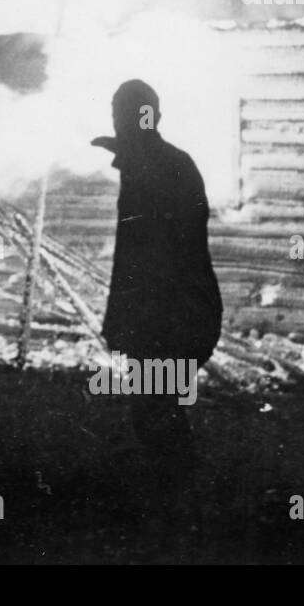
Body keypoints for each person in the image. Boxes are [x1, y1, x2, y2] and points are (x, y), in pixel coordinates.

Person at [91, 80, 221, 470]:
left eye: (127, 116)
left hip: (171, 315)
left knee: (154, 408)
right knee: (154, 406)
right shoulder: (163, 164)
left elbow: (154, 257)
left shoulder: (159, 169)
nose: (119, 124)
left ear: (153, 117)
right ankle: (175, 493)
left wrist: (126, 322)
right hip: (168, 316)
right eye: (117, 116)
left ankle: (177, 496)